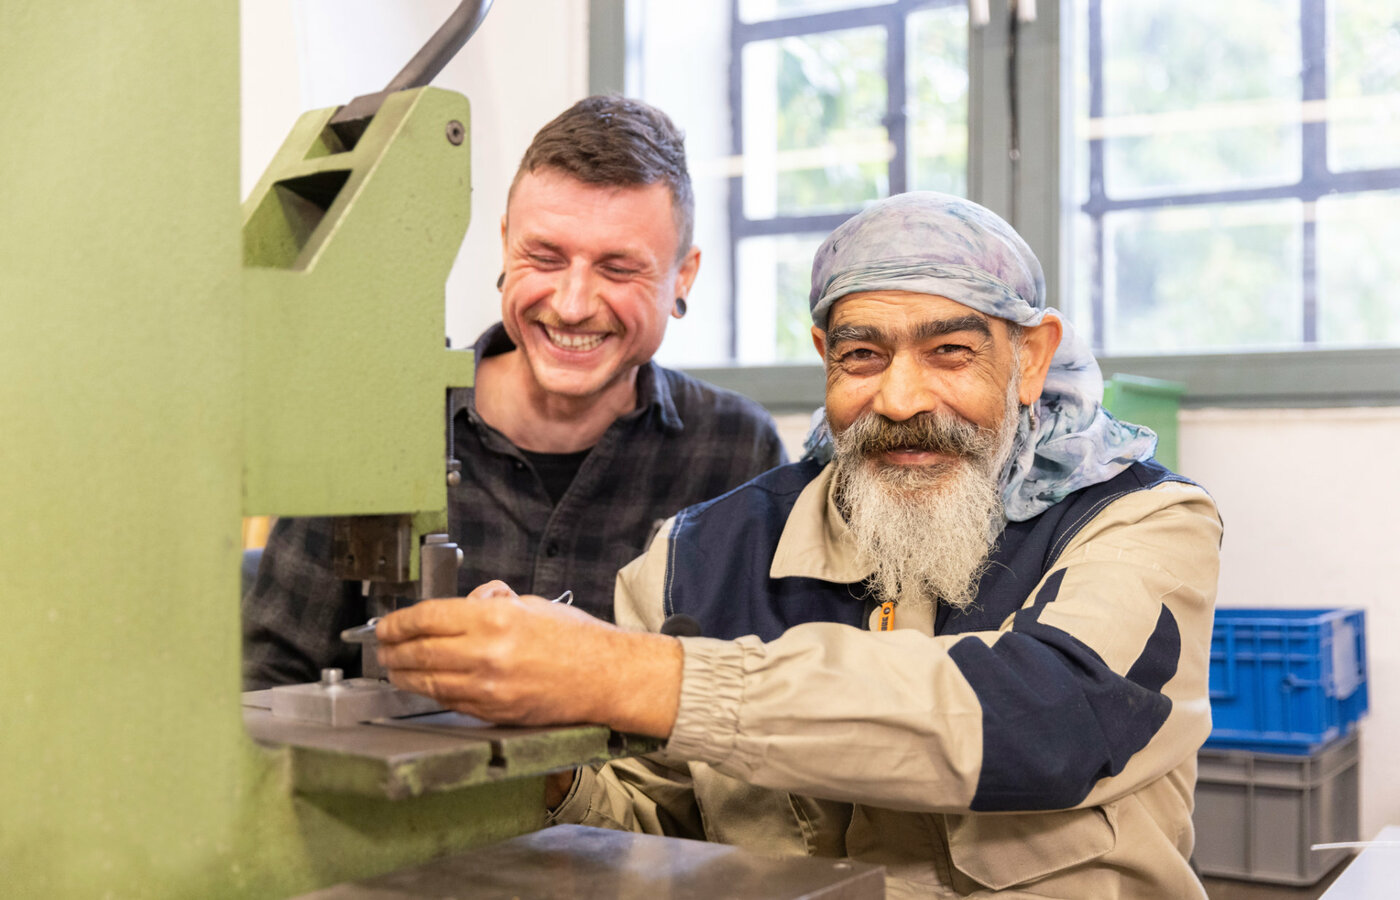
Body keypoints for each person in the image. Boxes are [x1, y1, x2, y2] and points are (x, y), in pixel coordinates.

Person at [374, 192, 1223, 899]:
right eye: (862, 355)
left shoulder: (1142, 523)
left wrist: (624, 674)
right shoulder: (696, 557)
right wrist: (544, 762)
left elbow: (1046, 724)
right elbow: (652, 823)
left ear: (1030, 357)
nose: (899, 398)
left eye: (951, 352)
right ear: (824, 357)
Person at [242, 95, 787, 689]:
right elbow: (270, 676)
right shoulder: (378, 420)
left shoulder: (738, 452)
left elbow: (759, 698)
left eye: (618, 268)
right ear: (506, 245)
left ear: (682, 276)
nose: (573, 305)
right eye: (545, 257)